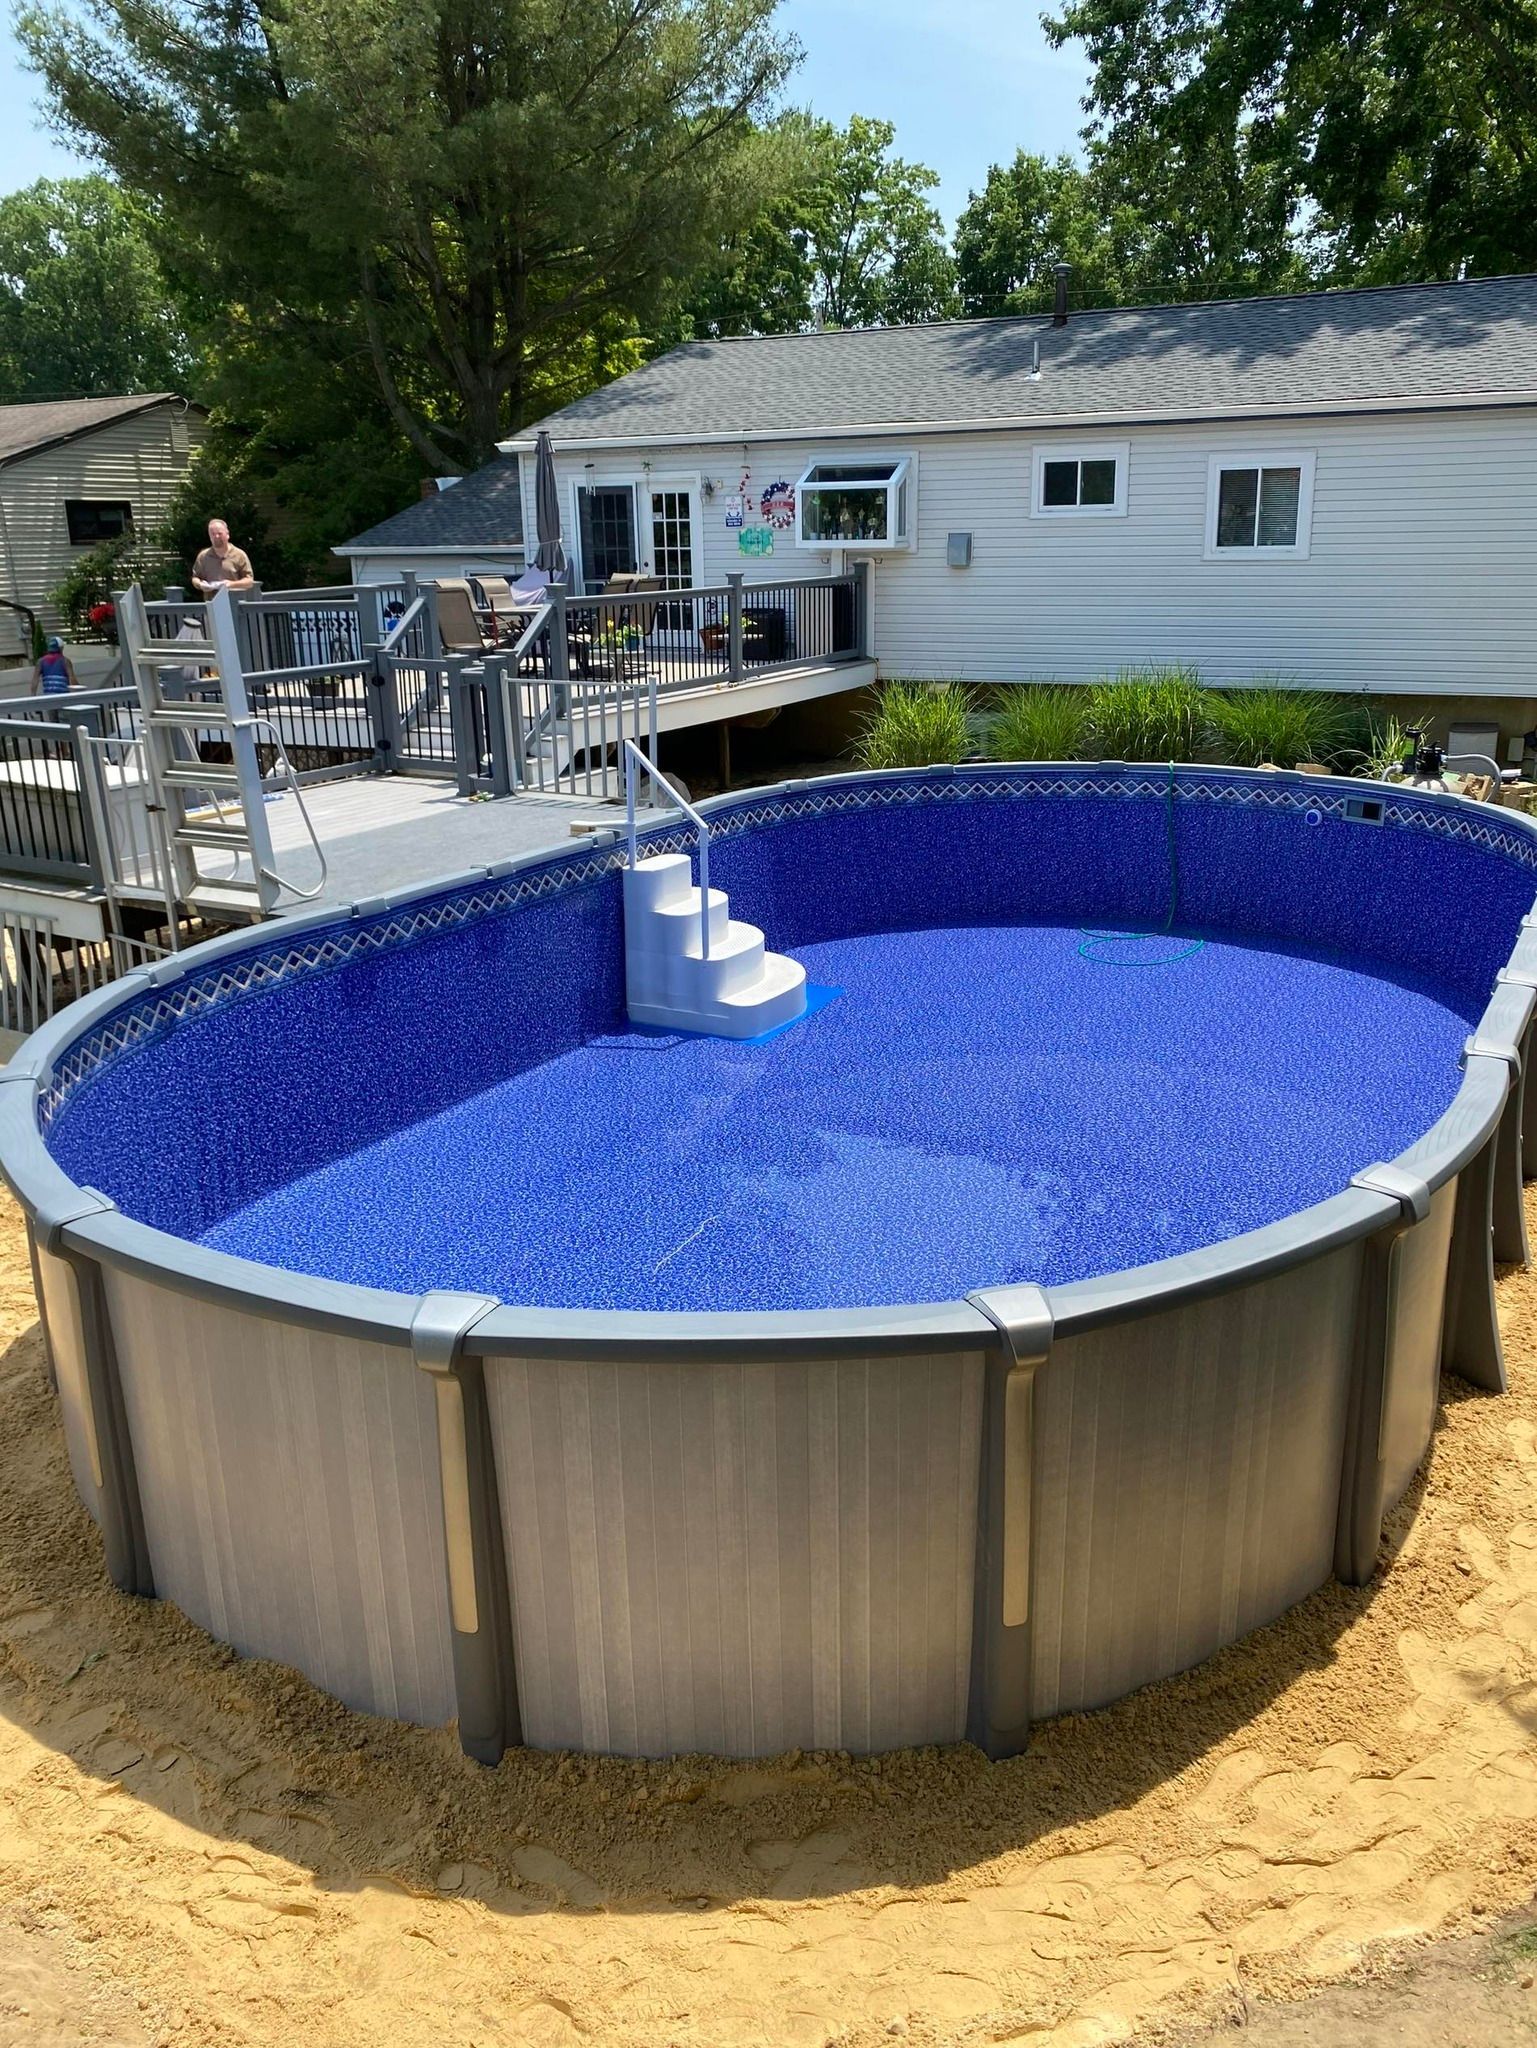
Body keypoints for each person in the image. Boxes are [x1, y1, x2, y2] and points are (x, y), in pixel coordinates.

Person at [191, 517, 255, 596]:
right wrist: (201, 585)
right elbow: (195, 578)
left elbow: (249, 581)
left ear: (227, 534)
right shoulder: (203, 556)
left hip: (234, 603)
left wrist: (230, 584)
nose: (216, 536)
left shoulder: (239, 555)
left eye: (219, 533)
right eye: (213, 534)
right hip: (211, 603)